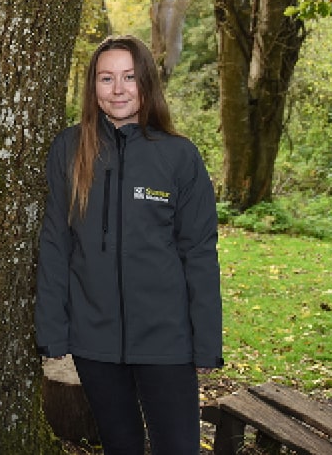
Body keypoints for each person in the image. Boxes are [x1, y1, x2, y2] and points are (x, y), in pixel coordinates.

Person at [34, 35, 223, 455]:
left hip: (167, 339)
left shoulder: (179, 156)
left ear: (146, 84)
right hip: (93, 338)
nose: (118, 89)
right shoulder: (68, 149)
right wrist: (52, 329)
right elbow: (56, 242)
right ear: (93, 87)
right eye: (106, 78)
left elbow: (199, 253)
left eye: (129, 77)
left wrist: (207, 340)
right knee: (120, 445)